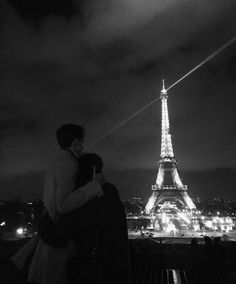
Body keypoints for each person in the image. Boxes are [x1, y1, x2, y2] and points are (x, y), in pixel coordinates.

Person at [26, 124, 105, 284]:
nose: (83, 144)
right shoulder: (69, 162)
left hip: (52, 236)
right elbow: (63, 204)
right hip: (61, 241)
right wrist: (94, 186)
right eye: (81, 140)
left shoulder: (59, 161)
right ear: (75, 141)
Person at [38, 153, 130, 284]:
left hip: (94, 274)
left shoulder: (85, 200)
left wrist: (44, 217)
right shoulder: (111, 194)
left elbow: (56, 236)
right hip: (118, 273)